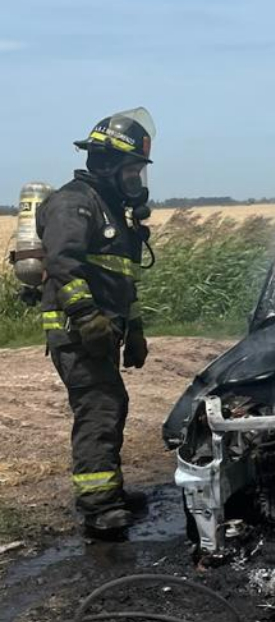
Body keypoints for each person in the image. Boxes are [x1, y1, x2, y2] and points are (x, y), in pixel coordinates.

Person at [37, 108, 155, 535]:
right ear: (107, 165)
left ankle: (109, 493)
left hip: (103, 329)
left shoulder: (112, 212)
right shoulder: (74, 203)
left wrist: (136, 328)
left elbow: (124, 281)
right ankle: (100, 508)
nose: (136, 181)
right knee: (99, 410)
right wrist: (86, 315)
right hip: (77, 333)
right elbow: (62, 264)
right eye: (131, 171)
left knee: (112, 404)